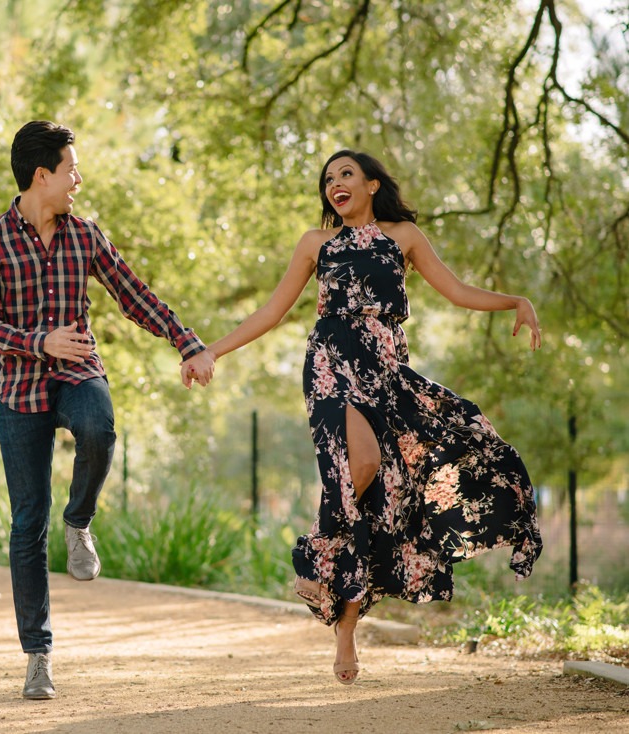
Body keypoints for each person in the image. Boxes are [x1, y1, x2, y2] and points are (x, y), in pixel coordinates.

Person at [187, 149, 543, 684]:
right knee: (364, 464)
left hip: (387, 372)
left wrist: (514, 300)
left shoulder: (403, 238)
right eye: (328, 179)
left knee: (379, 501)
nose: (335, 184)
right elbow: (270, 311)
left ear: (373, 184)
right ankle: (316, 555)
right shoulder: (316, 244)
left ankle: (345, 627)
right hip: (332, 362)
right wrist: (210, 349)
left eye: (346, 174)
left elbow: (456, 290)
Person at [0, 120, 215, 700]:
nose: (79, 178)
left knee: (100, 429)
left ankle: (80, 520)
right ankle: (38, 655)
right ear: (41, 175)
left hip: (78, 374)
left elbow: (134, 293)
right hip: (19, 390)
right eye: (70, 169)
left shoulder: (85, 236)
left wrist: (187, 341)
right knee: (27, 523)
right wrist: (39, 340)